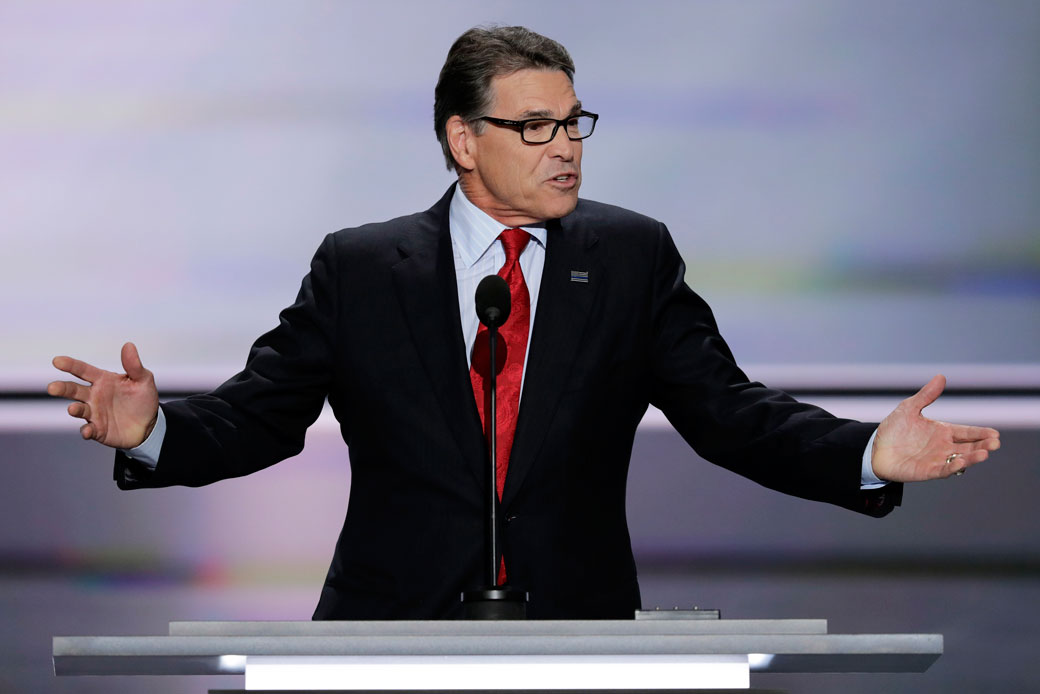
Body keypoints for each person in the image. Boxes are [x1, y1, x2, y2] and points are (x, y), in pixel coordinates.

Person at [47, 26, 1000, 620]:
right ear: (464, 141)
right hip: (393, 635)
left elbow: (730, 412)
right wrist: (155, 429)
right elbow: (263, 414)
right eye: (535, 127)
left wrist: (868, 452)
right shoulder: (363, 267)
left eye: (576, 123)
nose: (566, 149)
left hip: (575, 630)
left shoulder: (628, 257)